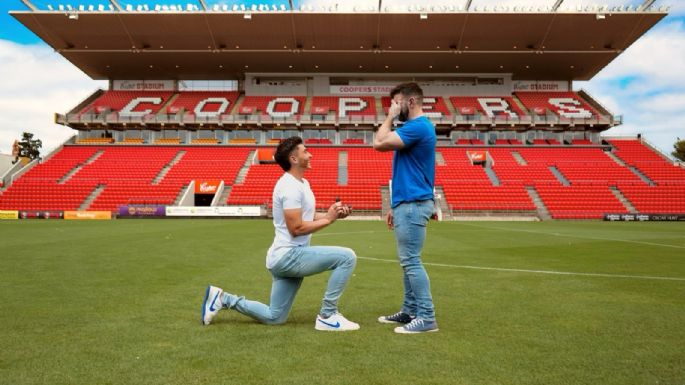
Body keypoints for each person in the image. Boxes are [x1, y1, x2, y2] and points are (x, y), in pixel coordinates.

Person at [201, 136, 360, 331]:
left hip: (284, 257)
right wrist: (328, 220)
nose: (310, 154)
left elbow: (307, 216)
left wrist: (331, 214)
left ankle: (223, 299)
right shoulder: (289, 187)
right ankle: (328, 315)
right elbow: (297, 229)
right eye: (305, 151)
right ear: (294, 159)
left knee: (274, 317)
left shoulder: (302, 184)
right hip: (289, 256)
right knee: (347, 257)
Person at [373, 82, 439, 334]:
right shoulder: (415, 127)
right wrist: (394, 205)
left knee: (411, 261)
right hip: (406, 202)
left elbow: (378, 143)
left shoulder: (418, 127)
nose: (393, 106)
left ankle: (426, 316)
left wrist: (389, 117)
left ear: (411, 102)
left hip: (413, 203)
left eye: (397, 102)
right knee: (407, 261)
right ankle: (410, 310)